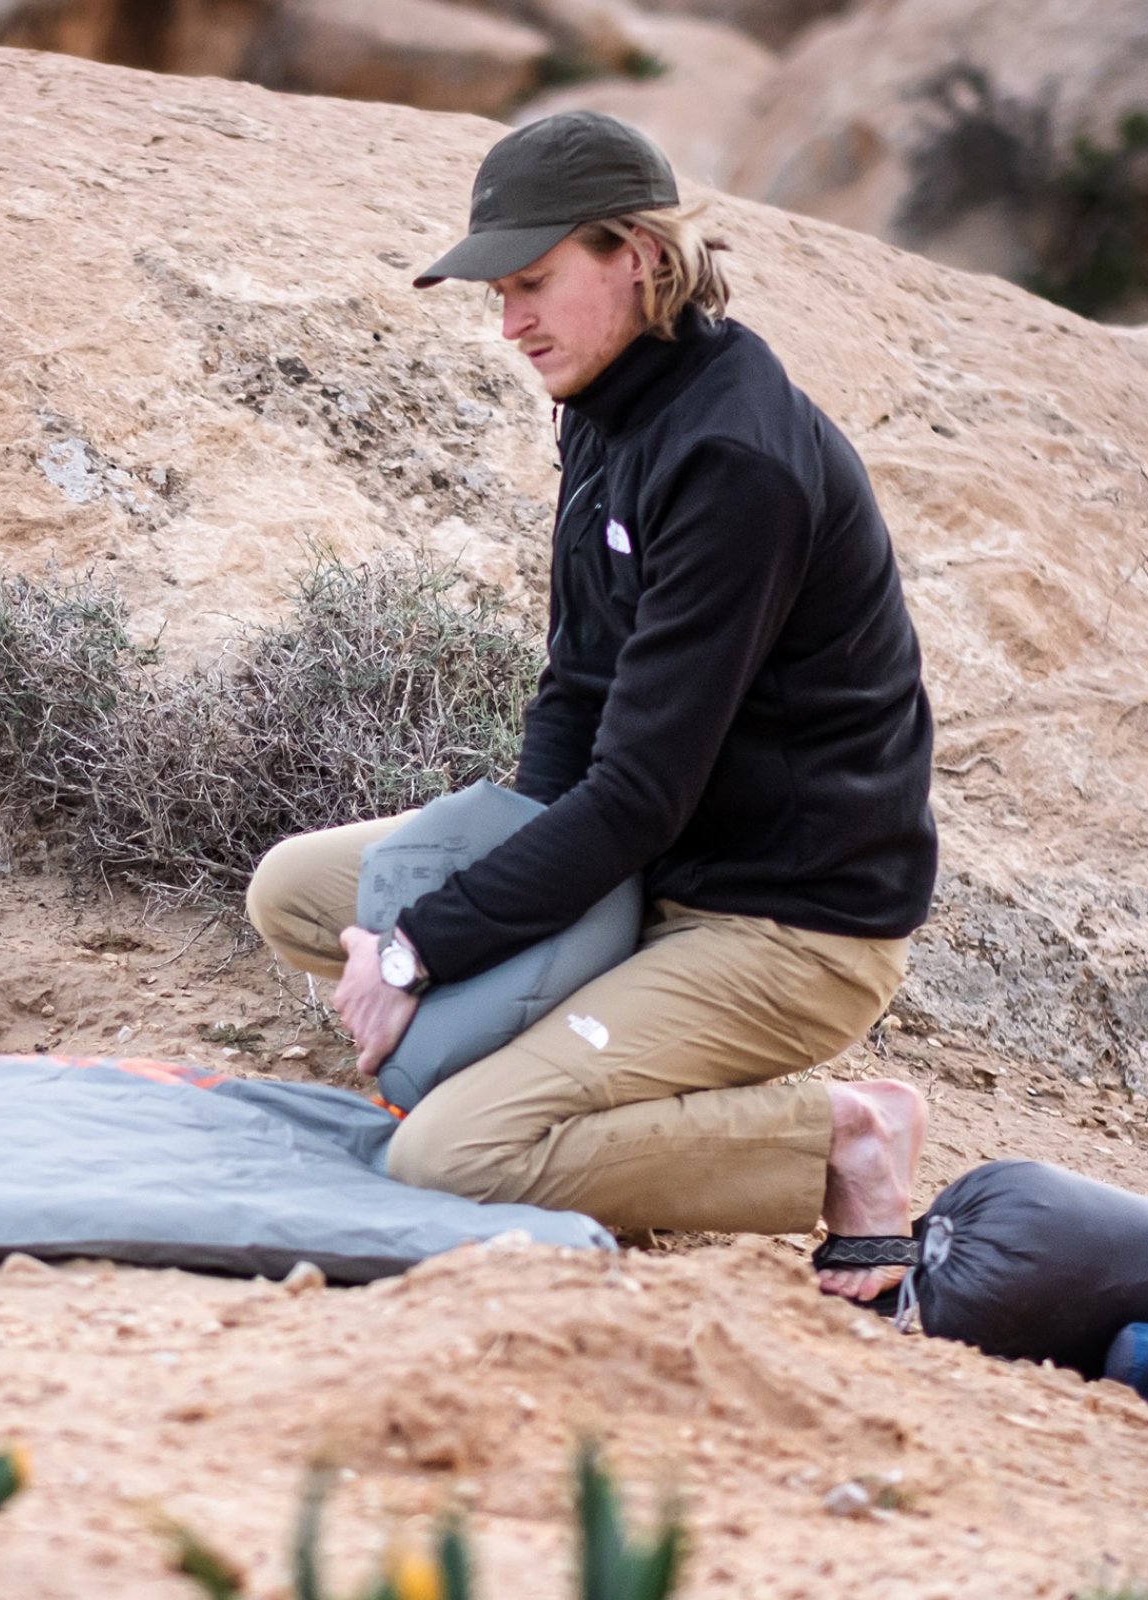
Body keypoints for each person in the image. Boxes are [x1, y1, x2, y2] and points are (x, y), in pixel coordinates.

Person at [242, 111, 940, 1301]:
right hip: (656, 870)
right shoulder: (612, 407)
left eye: (532, 283)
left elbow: (639, 793)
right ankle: (562, 1043)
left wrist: (424, 951)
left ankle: (838, 1134)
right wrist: (504, 910)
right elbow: (575, 696)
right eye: (497, 289)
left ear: (641, 257)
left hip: (781, 926)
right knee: (295, 889)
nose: (508, 323)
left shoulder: (735, 461)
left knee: (453, 1151)